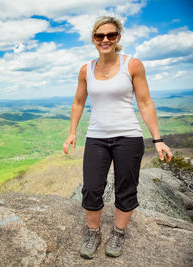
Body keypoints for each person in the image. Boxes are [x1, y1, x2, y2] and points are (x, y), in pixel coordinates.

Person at [62, 16, 173, 259]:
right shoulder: (86, 69)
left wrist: (157, 139)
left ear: (118, 38)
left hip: (128, 137)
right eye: (100, 36)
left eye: (111, 35)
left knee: (126, 188)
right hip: (97, 137)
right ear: (93, 39)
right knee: (91, 188)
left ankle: (119, 232)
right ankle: (93, 233)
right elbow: (79, 101)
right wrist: (72, 132)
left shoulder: (132, 65)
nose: (105, 40)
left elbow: (144, 102)